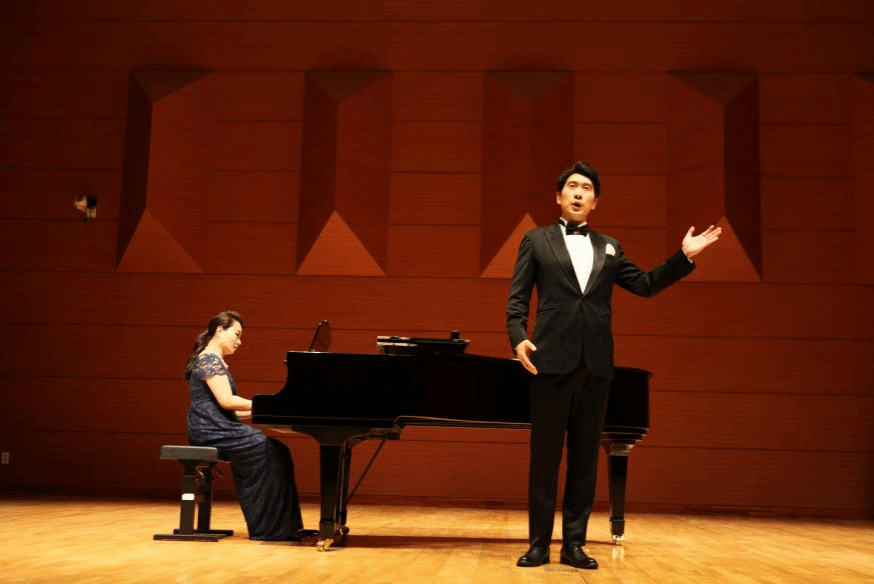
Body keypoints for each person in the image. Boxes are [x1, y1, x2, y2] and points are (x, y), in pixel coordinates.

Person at [507, 161, 721, 569]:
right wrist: (518, 337)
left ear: (595, 202)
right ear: (558, 196)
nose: (578, 193)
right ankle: (538, 545)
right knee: (545, 459)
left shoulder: (610, 246)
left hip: (596, 366)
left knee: (585, 460)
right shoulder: (535, 240)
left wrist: (684, 257)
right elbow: (517, 297)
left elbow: (644, 285)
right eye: (572, 186)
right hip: (549, 362)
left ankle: (574, 545)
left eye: (586, 188)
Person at [184, 310, 315, 541]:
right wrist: (268, 404)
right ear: (220, 330)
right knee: (266, 449)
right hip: (210, 429)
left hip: (219, 425)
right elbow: (227, 401)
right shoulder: (209, 360)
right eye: (236, 334)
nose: (239, 341)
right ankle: (270, 529)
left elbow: (230, 410)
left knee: (279, 450)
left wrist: (265, 410)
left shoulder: (212, 360)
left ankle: (285, 527)